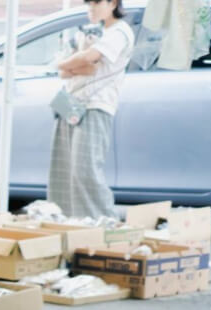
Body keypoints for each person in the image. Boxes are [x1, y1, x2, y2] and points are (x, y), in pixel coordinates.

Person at [47, 0, 134, 219]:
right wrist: (70, 65)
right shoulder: (91, 32)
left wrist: (66, 63)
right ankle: (66, 224)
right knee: (63, 170)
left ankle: (103, 223)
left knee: (85, 171)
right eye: (88, 4)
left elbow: (88, 59)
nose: (91, 9)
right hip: (70, 102)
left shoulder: (119, 32)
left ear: (113, 3)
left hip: (96, 105)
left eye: (97, 3)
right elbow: (66, 72)